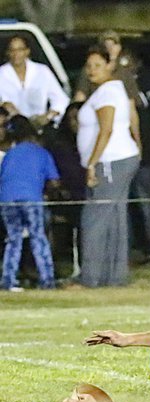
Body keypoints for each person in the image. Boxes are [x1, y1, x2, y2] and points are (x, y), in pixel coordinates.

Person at [76, 46, 141, 288]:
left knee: (95, 219)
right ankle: (114, 277)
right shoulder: (109, 90)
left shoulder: (107, 93)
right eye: (89, 66)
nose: (92, 70)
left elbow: (107, 129)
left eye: (98, 65)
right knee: (113, 219)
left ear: (109, 66)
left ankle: (90, 278)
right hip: (120, 159)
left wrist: (92, 163)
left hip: (110, 162)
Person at [0, 115, 59, 290]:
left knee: (13, 239)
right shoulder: (41, 153)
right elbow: (55, 181)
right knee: (38, 237)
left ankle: (8, 280)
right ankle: (47, 280)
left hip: (6, 200)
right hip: (31, 199)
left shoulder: (10, 154)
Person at [121, 50, 150, 264]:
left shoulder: (147, 79)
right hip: (120, 152)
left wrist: (128, 80)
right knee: (123, 203)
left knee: (146, 200)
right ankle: (126, 247)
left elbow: (144, 103)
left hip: (145, 152)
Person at [45, 102, 85, 278]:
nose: (75, 123)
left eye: (79, 119)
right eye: (71, 119)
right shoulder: (60, 145)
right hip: (66, 196)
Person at [0, 35, 69, 129]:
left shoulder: (42, 71)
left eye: (20, 49)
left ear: (27, 51)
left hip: (39, 128)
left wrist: (48, 116)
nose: (16, 54)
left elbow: (61, 99)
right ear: (8, 52)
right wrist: (3, 105)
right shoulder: (2, 73)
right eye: (12, 50)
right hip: (11, 128)